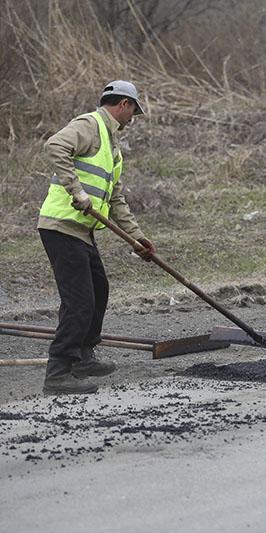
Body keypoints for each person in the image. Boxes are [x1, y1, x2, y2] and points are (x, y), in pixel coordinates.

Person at [38, 80, 156, 395]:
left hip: (82, 231)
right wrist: (76, 191)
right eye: (133, 111)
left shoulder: (111, 147)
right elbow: (55, 146)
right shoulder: (90, 125)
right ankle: (58, 373)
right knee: (79, 302)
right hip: (62, 226)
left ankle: (83, 358)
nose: (132, 119)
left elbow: (116, 200)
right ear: (124, 104)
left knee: (99, 291)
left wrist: (137, 238)